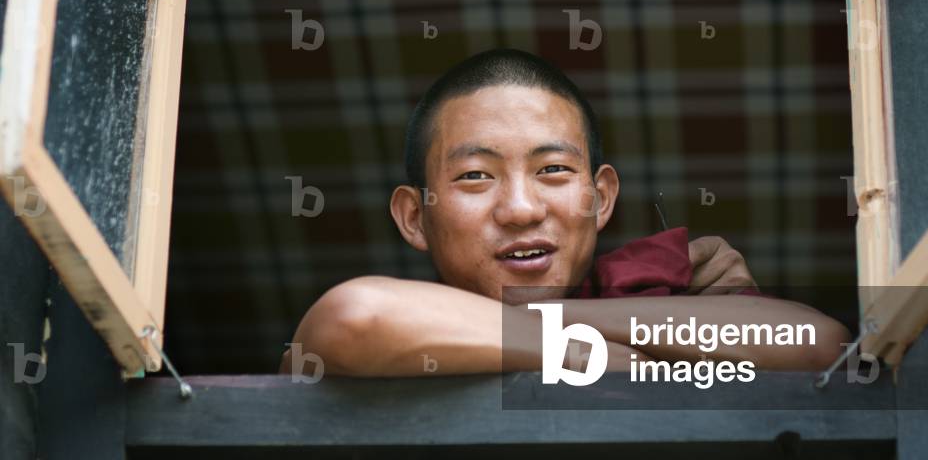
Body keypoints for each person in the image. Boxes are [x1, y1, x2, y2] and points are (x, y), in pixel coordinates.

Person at [280, 49, 851, 378]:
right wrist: (639, 363)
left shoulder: (656, 288)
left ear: (601, 198)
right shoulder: (395, 334)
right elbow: (356, 316)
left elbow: (818, 343)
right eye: (475, 176)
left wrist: (560, 316)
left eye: (552, 170)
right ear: (413, 218)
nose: (522, 209)